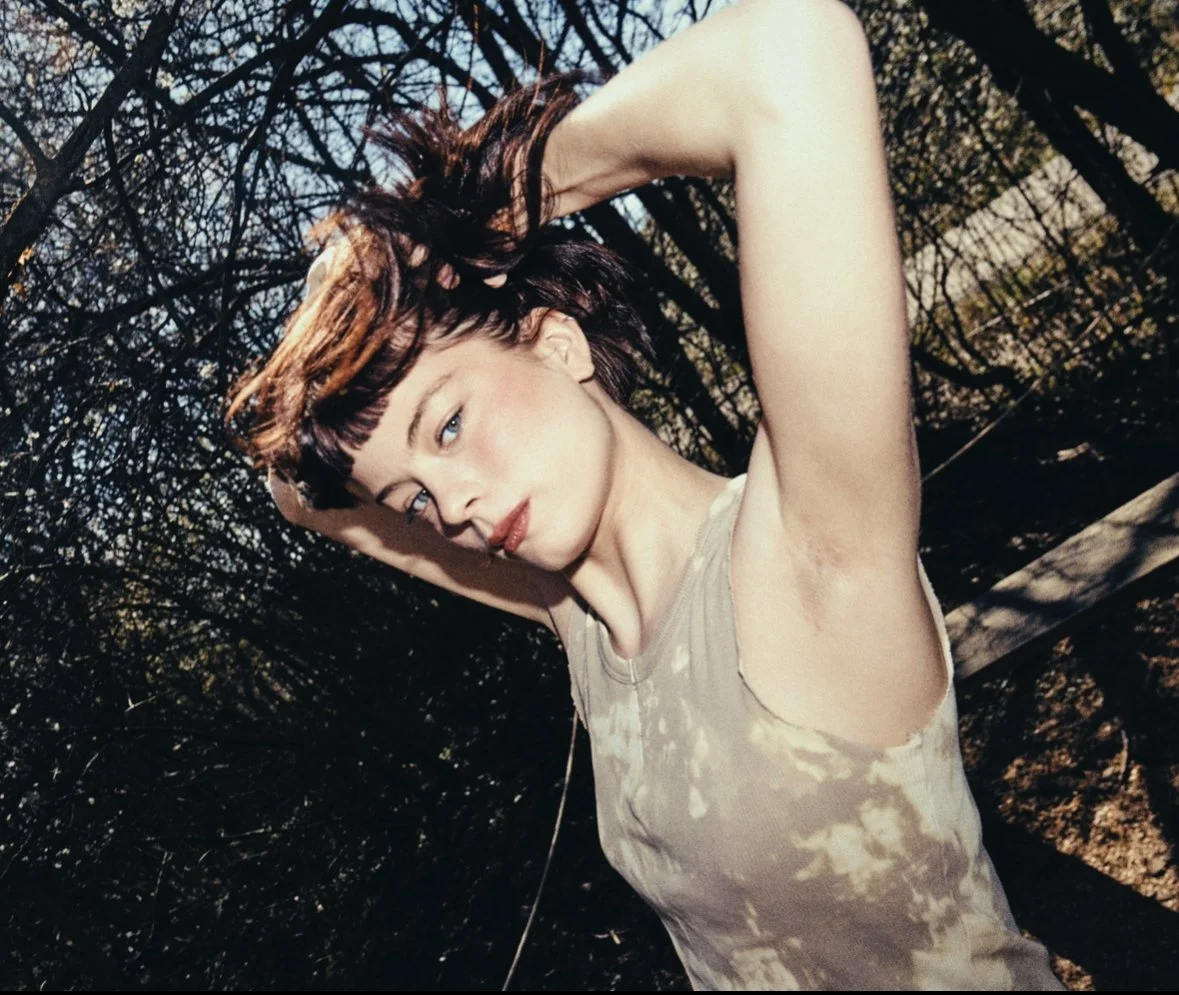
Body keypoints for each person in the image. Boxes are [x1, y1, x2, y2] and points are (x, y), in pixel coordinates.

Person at [225, 0, 1064, 988]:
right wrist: (345, 324)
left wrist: (487, 207)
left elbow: (788, 50)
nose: (448, 507)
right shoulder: (580, 613)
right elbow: (301, 493)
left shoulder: (807, 547)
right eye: (411, 498)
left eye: (447, 424)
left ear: (558, 340)